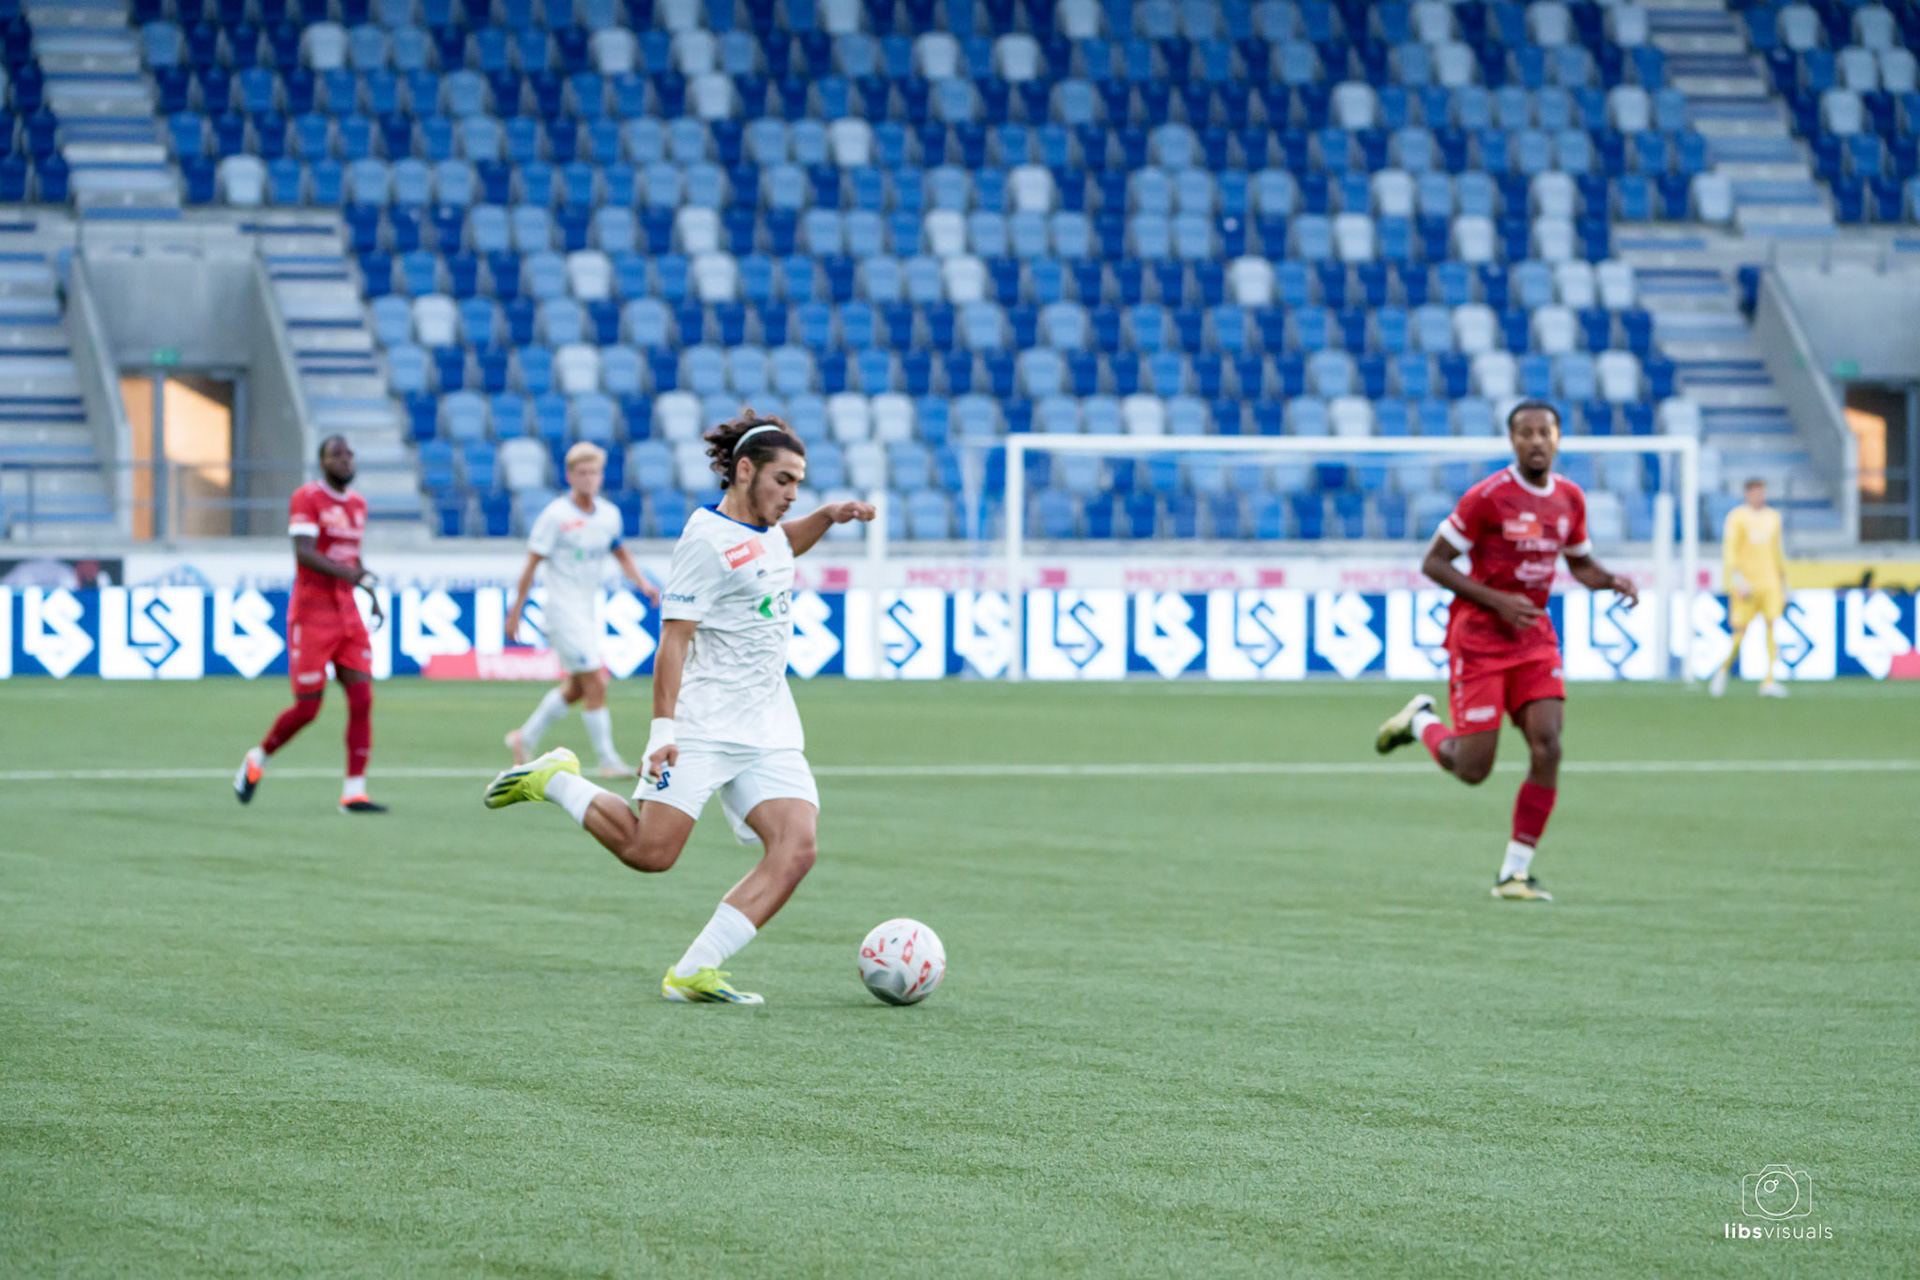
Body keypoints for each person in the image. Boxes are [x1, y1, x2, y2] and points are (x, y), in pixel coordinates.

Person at [482, 409, 875, 1004]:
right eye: (784, 481)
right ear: (745, 472)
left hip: (768, 724)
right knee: (650, 852)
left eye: (800, 482)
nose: (793, 494)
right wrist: (662, 730)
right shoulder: (704, 539)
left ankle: (695, 970)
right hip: (706, 722)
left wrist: (827, 515)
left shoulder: (765, 532)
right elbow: (674, 640)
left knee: (797, 848)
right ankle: (557, 780)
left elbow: (776, 551)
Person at [1374, 401, 1639, 901]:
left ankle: (1514, 872)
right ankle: (1418, 722)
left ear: (1559, 439)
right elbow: (1434, 563)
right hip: (1479, 640)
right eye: (1525, 433)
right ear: (1512, 441)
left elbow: (1579, 565)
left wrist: (1611, 581)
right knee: (1473, 769)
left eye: (1545, 432)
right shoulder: (1488, 498)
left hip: (1534, 639)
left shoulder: (1570, 499)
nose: (1536, 441)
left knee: (1549, 745)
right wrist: (1497, 600)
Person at [234, 435, 387, 813]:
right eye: (337, 454)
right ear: (322, 462)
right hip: (312, 613)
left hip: (347, 614)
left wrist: (371, 593)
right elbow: (303, 554)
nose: (345, 460)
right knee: (307, 709)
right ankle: (258, 758)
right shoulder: (306, 498)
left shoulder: (358, 505)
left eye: (349, 454)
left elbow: (353, 558)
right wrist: (352, 578)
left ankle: (354, 791)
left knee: (363, 698)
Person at [504, 442, 662, 776]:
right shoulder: (556, 516)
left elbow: (620, 552)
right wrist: (516, 610)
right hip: (562, 611)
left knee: (579, 687)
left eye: (594, 472)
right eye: (582, 473)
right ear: (569, 475)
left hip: (587, 611)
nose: (589, 479)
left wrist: (643, 583)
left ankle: (524, 737)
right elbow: (531, 565)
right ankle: (607, 760)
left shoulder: (608, 515)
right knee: (598, 682)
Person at [1711, 478, 1788, 699]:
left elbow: (1777, 551)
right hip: (1747, 583)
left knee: (1772, 627)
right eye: (1756, 492)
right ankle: (1723, 670)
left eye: (1762, 492)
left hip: (1770, 582)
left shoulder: (1774, 518)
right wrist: (1738, 580)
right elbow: (1731, 552)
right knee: (1740, 633)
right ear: (1747, 494)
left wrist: (1783, 582)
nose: (1760, 496)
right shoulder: (1737, 517)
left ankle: (1769, 680)